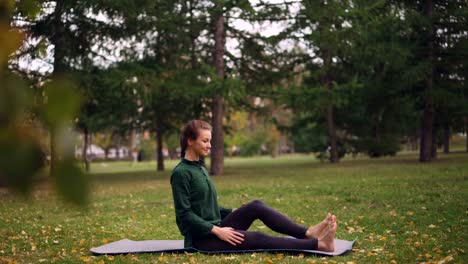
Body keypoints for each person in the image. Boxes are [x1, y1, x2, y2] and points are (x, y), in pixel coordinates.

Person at [170, 120, 337, 252]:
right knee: (257, 238)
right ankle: (321, 245)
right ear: (190, 141)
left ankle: (307, 233)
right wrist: (216, 230)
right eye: (205, 141)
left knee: (255, 206)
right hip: (202, 240)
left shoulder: (200, 168)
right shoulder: (181, 173)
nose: (210, 145)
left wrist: (233, 213)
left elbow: (205, 207)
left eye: (210, 140)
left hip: (217, 228)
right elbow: (184, 215)